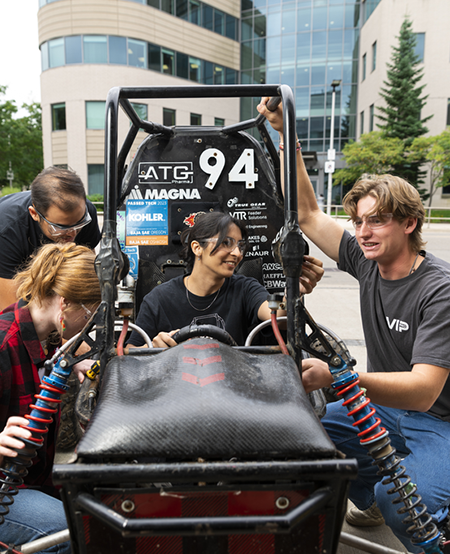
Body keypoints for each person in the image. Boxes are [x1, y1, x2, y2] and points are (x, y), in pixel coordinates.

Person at [258, 97, 450, 553]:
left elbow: (423, 391)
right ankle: (366, 495)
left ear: (410, 223)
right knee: (308, 434)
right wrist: (288, 132)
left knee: (406, 500)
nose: (363, 231)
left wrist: (339, 377)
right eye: (358, 221)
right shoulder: (366, 263)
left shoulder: (439, 289)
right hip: (385, 411)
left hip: (440, 420)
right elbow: (307, 214)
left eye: (377, 221)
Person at [0, 242, 101, 553]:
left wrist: (71, 360)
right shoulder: (4, 344)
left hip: (31, 480)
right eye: (91, 312)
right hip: (5, 489)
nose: (92, 323)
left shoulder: (49, 339)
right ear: (65, 305)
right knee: (69, 534)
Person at [127, 211, 324, 348]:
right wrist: (153, 346)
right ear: (197, 248)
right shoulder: (158, 299)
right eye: (226, 243)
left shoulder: (245, 288)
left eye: (240, 245)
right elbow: (130, 353)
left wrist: (292, 290)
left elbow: (276, 313)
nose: (237, 253)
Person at [0, 166, 102, 312]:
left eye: (79, 224)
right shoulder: (8, 229)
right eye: (61, 227)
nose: (73, 234)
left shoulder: (86, 213)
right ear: (34, 214)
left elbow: (83, 280)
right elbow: (11, 313)